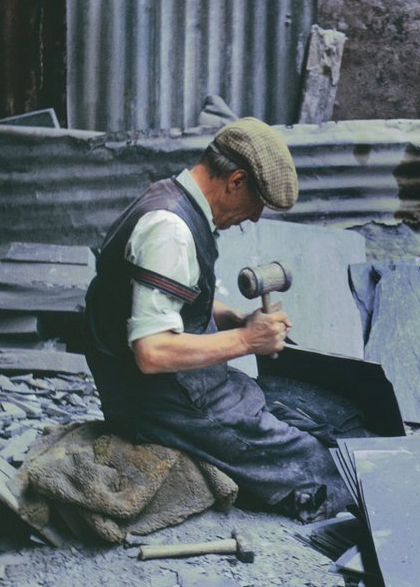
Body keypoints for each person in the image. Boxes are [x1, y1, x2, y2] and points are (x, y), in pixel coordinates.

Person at [83, 117, 351, 522]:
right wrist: (248, 341)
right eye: (257, 204)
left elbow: (177, 298)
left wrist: (238, 318)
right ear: (237, 180)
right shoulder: (170, 229)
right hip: (157, 400)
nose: (255, 218)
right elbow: (151, 352)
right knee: (324, 465)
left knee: (316, 413)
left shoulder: (171, 196)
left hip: (188, 384)